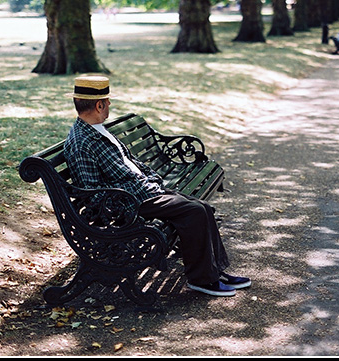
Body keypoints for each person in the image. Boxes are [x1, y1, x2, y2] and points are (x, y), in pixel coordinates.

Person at [63, 76, 251, 297]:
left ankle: (214, 271)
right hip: (132, 202)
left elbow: (130, 162)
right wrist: (133, 194)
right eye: (107, 101)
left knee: (202, 207)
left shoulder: (96, 129)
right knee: (195, 212)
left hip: (145, 190)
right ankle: (202, 280)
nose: (109, 105)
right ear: (99, 105)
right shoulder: (82, 142)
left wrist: (150, 178)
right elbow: (92, 193)